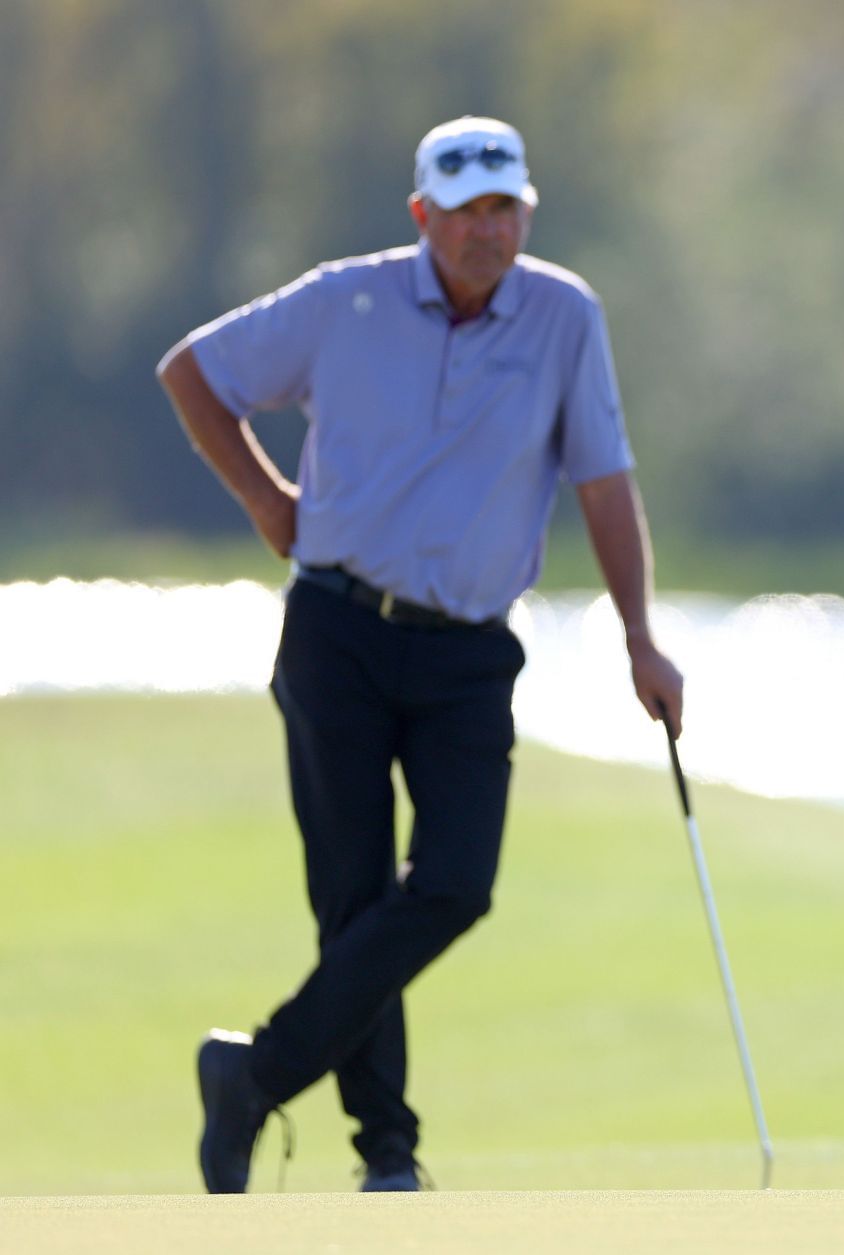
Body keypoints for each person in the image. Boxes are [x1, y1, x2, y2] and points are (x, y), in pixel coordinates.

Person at [156, 116, 685, 1193]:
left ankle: (253, 1074)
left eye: (505, 209)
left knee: (453, 883)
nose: (487, 231)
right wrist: (268, 501)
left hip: (468, 655)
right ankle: (387, 1156)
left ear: (526, 212)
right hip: (337, 632)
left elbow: (604, 480)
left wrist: (641, 636)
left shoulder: (564, 317)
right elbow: (192, 373)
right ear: (422, 216)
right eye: (466, 211)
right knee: (353, 897)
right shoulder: (344, 299)